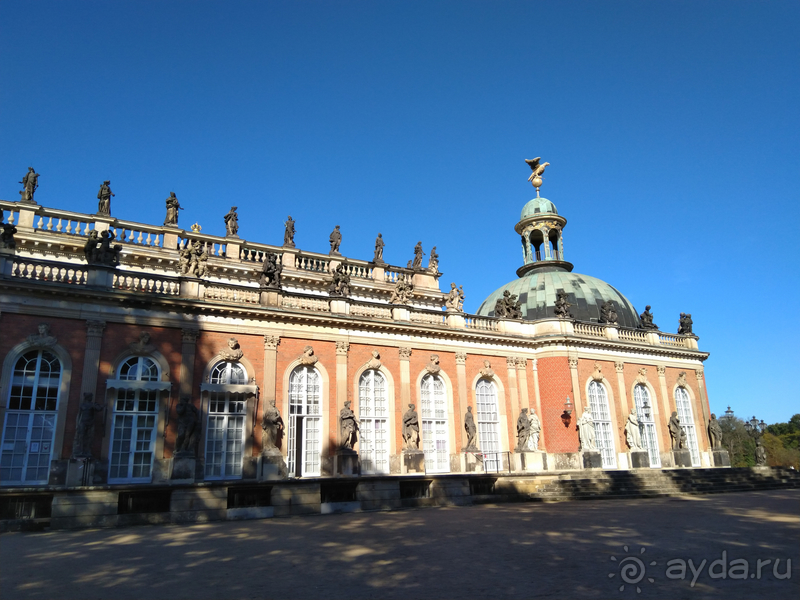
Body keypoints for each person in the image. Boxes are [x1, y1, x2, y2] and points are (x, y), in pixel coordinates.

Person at [73, 393, 103, 457]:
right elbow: (79, 415)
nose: (91, 398)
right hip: (82, 422)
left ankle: (87, 451)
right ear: (87, 397)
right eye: (90, 397)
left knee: (89, 438)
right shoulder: (82, 405)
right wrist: (77, 424)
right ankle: (80, 451)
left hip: (90, 423)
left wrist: (101, 406)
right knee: (81, 437)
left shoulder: (93, 405)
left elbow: (99, 409)